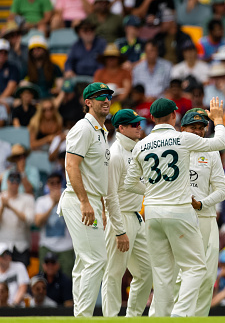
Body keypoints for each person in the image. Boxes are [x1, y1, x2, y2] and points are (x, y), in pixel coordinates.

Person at [122, 97, 225, 317]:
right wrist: (217, 120)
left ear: (151, 117)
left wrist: (152, 191)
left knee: (162, 272)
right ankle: (179, 315)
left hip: (152, 212)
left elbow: (130, 183)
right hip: (179, 210)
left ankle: (161, 317)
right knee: (196, 267)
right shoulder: (182, 139)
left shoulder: (141, 144)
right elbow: (220, 143)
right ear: (173, 116)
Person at [59, 82, 114, 317]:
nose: (106, 100)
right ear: (88, 102)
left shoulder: (101, 131)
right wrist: (84, 201)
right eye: (100, 96)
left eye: (108, 96)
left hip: (91, 200)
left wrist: (99, 205)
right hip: (78, 199)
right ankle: (83, 317)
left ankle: (79, 317)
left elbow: (95, 174)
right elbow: (71, 166)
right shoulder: (83, 128)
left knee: (84, 262)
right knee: (96, 259)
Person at [178, 110, 225, 316]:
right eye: (192, 128)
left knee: (206, 275)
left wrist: (201, 204)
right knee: (180, 276)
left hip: (206, 219)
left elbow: (221, 190)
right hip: (180, 219)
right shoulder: (176, 149)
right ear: (182, 129)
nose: (198, 132)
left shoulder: (211, 152)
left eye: (201, 128)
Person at [102, 109, 152, 317]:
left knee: (146, 271)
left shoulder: (134, 151)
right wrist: (119, 230)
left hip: (135, 217)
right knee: (114, 273)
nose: (139, 127)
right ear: (120, 128)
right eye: (134, 125)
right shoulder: (115, 155)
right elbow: (109, 196)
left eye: (139, 124)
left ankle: (133, 317)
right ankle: (111, 319)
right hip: (120, 217)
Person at [34, 173, 74, 276]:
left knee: (68, 280)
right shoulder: (41, 201)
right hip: (47, 245)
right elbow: (38, 223)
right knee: (43, 279)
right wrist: (53, 204)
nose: (55, 185)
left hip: (66, 247)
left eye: (58, 182)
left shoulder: (69, 199)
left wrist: (61, 202)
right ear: (47, 184)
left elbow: (74, 220)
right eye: (52, 183)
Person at [0, 171, 35, 266]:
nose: (14, 183)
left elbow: (29, 220)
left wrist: (10, 206)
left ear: (20, 183)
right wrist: (3, 206)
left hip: (22, 247)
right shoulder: (1, 198)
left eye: (17, 180)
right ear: (7, 181)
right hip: (2, 246)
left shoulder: (28, 198)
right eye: (11, 180)